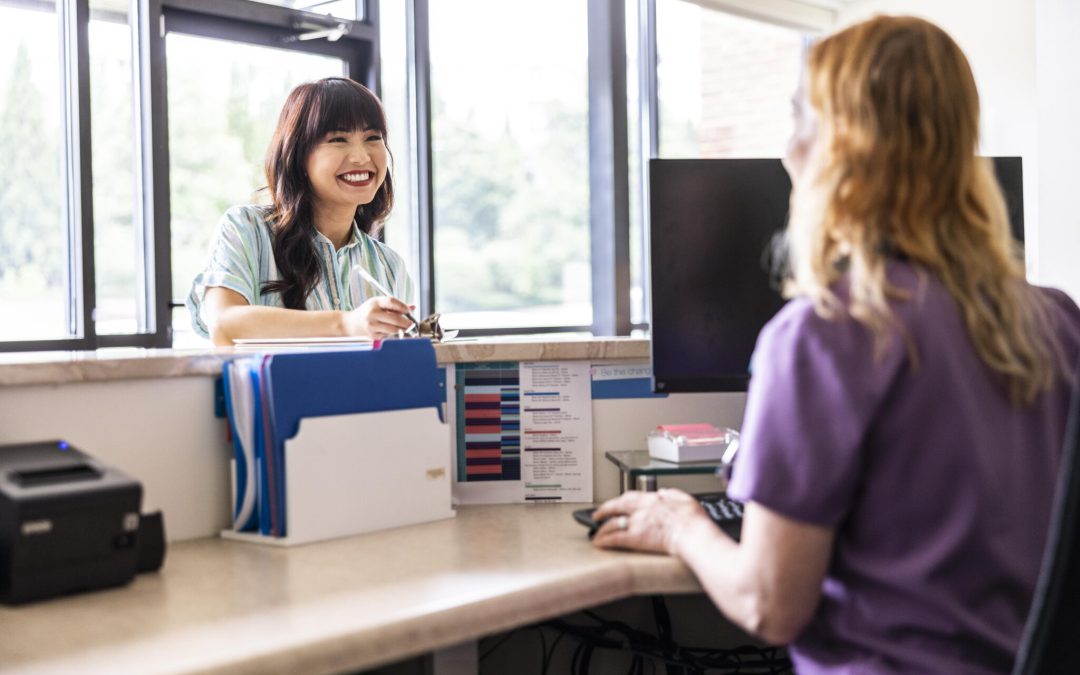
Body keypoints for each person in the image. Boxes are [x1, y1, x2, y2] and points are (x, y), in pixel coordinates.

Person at [592, 15, 1080, 675]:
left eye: (799, 120)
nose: (788, 148)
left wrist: (681, 524)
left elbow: (769, 603)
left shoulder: (825, 335)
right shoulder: (1056, 321)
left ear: (839, 148)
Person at [187, 77, 415, 346]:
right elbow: (225, 324)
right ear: (298, 155)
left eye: (372, 137)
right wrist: (346, 324)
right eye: (339, 139)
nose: (361, 157)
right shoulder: (246, 228)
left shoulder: (389, 266)